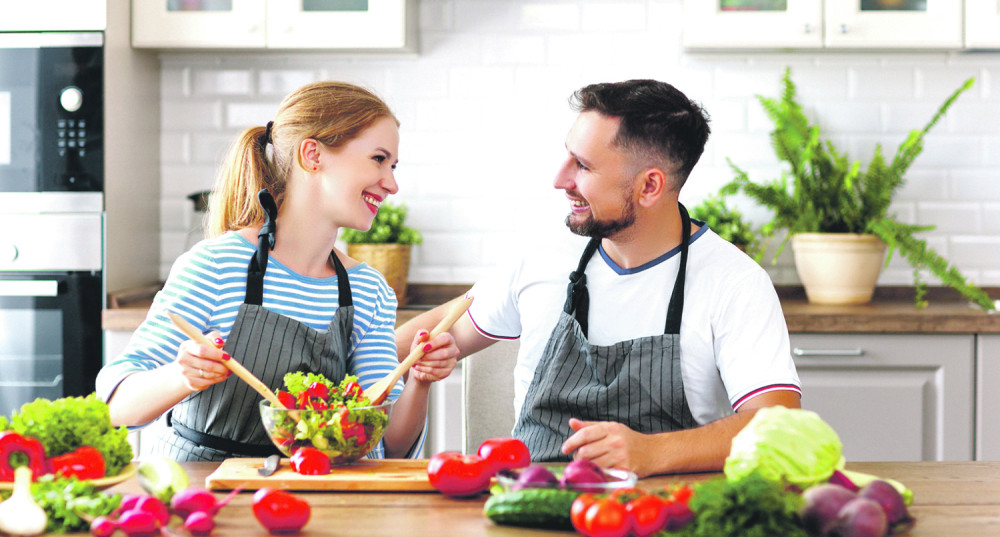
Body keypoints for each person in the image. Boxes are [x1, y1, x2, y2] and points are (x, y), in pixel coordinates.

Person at [397, 79, 801, 478]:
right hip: (530, 513)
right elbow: (423, 338)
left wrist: (652, 451)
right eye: (568, 156)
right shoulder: (541, 257)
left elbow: (777, 427)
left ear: (649, 186)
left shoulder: (734, 282)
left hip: (665, 519)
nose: (560, 179)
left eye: (583, 166)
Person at [98, 81, 458, 462]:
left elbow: (389, 444)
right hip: (198, 499)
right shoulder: (218, 266)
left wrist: (420, 380)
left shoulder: (368, 291)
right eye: (378, 159)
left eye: (393, 165)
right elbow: (116, 405)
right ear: (313, 155)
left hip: (307, 503)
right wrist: (181, 376)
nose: (392, 183)